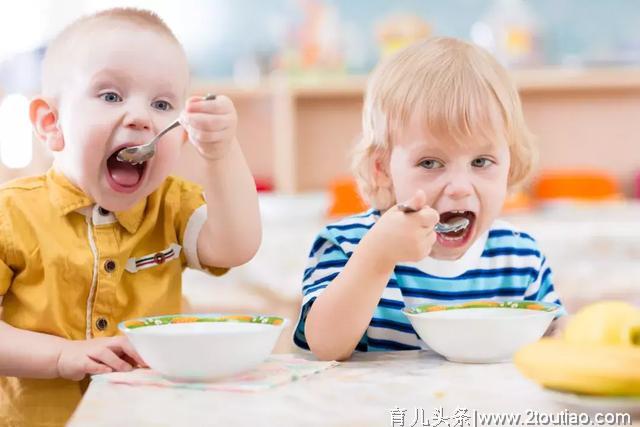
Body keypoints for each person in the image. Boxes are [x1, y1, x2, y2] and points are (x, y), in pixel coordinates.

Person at [0, 8, 261, 426]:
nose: (141, 118)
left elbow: (236, 246)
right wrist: (60, 356)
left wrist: (222, 152)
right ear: (51, 124)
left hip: (152, 415)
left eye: (162, 104)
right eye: (110, 96)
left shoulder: (171, 204)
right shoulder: (11, 214)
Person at [294, 37, 564, 361]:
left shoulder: (520, 256)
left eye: (481, 162)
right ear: (383, 169)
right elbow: (325, 346)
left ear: (510, 164)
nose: (460, 188)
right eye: (430, 163)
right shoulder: (348, 245)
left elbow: (554, 342)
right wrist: (377, 257)